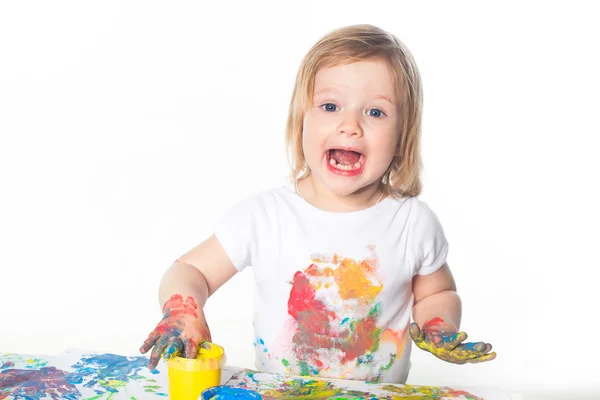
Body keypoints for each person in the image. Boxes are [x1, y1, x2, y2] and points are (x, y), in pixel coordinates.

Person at [139, 23, 496, 384]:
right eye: (330, 106)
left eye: (375, 112)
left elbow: (437, 292)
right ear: (301, 122)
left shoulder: (412, 223)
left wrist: (439, 323)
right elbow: (191, 271)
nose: (350, 125)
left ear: (403, 135)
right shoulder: (265, 217)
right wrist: (183, 308)